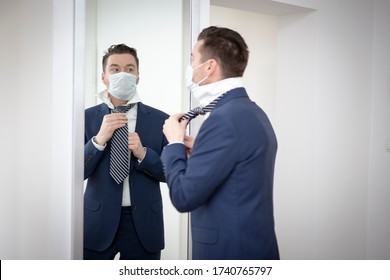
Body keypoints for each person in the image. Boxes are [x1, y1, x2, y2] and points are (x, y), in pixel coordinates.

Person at [161, 26, 280, 260]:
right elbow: (238, 168)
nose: (190, 67)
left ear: (210, 66)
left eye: (193, 58)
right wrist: (201, 150)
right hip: (253, 247)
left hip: (229, 255)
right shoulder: (252, 112)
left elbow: (184, 197)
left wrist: (174, 143)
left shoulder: (223, 120)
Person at [84, 44, 169, 260]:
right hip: (98, 222)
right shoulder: (85, 118)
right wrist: (98, 140)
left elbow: (171, 173)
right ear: (104, 77)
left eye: (129, 69)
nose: (123, 74)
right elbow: (75, 173)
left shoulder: (161, 120)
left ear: (138, 76)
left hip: (143, 225)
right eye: (115, 69)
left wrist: (143, 154)